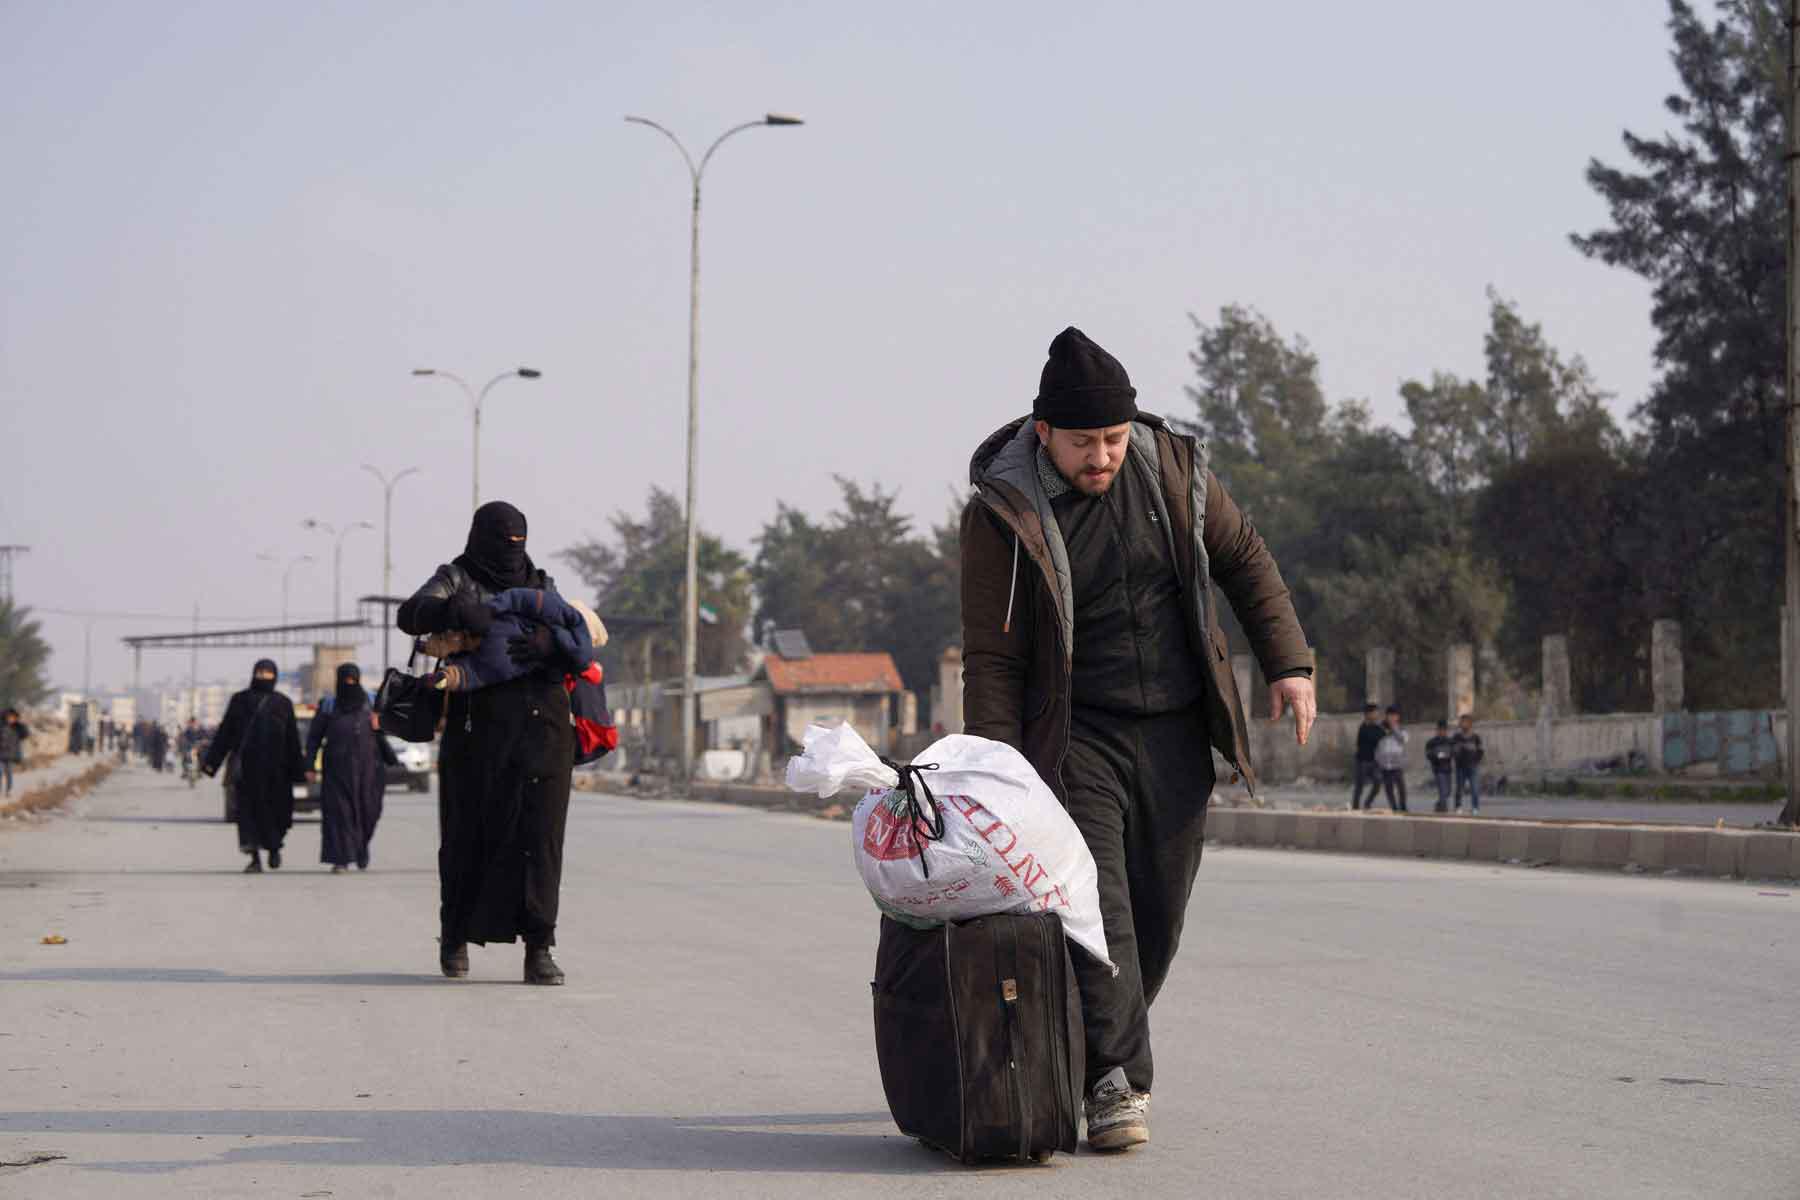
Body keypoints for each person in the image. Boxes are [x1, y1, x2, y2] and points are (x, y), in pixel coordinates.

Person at [960, 327, 1315, 1153]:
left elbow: (1246, 559)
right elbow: (992, 656)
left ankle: (1084, 1049)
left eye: (1114, 439)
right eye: (1085, 443)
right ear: (1044, 433)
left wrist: (1289, 663)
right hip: (1078, 736)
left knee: (1160, 917)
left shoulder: (1173, 470)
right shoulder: (1004, 513)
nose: (1103, 458)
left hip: (1178, 733)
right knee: (1103, 912)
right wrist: (995, 776)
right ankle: (1118, 1086)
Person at [398, 501, 586, 986]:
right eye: (503, 537)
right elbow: (410, 614)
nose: (511, 547)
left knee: (541, 839)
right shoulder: (456, 576)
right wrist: (451, 609)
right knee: (468, 835)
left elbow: (577, 633)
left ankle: (540, 947)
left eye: (519, 537)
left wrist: (553, 646)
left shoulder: (541, 584)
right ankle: (454, 936)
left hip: (545, 730)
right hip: (476, 732)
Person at [202, 659, 306, 873]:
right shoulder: (239, 701)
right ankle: (254, 858)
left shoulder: (283, 703)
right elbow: (225, 734)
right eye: (260, 673)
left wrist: (299, 771)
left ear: (275, 676)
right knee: (248, 816)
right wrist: (212, 763)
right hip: (247, 772)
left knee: (278, 813)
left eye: (268, 674)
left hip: (278, 773)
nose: (264, 677)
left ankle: (274, 847)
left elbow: (292, 740)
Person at [306, 663, 397, 873]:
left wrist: (382, 721)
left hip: (369, 769)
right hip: (337, 769)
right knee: (340, 815)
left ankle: (361, 846)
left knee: (370, 811)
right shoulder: (329, 705)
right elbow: (314, 739)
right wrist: (309, 765)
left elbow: (393, 723)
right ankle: (341, 859)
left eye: (353, 681)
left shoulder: (372, 702)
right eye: (345, 681)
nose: (349, 685)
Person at [424, 587, 594, 692]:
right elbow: (521, 599)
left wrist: (444, 679)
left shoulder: (511, 663)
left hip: (492, 651)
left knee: (447, 644)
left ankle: (429, 646)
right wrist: (492, 608)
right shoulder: (556, 614)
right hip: (478, 624)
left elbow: (472, 674)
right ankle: (431, 645)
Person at [1374, 705, 1408, 812]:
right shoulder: (1380, 729)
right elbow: (1376, 744)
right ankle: (1394, 808)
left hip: (1397, 764)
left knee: (1401, 788)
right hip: (1384, 764)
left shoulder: (1401, 729)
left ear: (1397, 717)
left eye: (1394, 716)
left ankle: (1403, 807)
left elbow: (1403, 740)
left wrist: (1394, 728)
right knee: (1389, 789)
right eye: (1390, 716)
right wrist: (1378, 760)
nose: (1391, 718)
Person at [1351, 703, 1384, 810]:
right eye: (1374, 712)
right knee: (1359, 787)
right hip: (1362, 761)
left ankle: (1367, 803)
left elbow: (1383, 735)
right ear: (1368, 714)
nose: (1377, 714)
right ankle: (1355, 807)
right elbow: (1372, 738)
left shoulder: (1377, 727)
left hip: (1374, 762)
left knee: (1378, 783)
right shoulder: (1363, 728)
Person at [1452, 713, 1484, 813]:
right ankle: (1458, 806)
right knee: (1459, 788)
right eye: (1462, 722)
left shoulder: (1476, 737)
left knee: (1474, 788)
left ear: (1470, 724)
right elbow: (1452, 750)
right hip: (1460, 766)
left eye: (1465, 722)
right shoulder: (1456, 737)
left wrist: (1476, 761)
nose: (1463, 724)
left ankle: (1475, 807)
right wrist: (1457, 755)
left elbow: (1480, 751)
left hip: (1473, 767)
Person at [1425, 719, 1455, 812]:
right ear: (1437, 730)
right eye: (1440, 730)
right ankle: (1443, 810)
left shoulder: (1450, 741)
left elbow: (1453, 753)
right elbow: (1429, 755)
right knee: (1442, 791)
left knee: (1448, 792)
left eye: (1444, 730)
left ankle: (1439, 805)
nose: (1442, 732)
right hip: (1438, 769)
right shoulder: (1431, 742)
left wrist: (1445, 754)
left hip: (1448, 770)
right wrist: (1440, 755)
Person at [0, 709, 30, 796]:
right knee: (0, 772)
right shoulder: (2, 726)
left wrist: (21, 724)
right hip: (1, 753)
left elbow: (26, 734)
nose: (11, 719)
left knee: (9, 773)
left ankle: (8, 790)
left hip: (11, 755)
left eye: (13, 717)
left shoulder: (18, 728)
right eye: (9, 717)